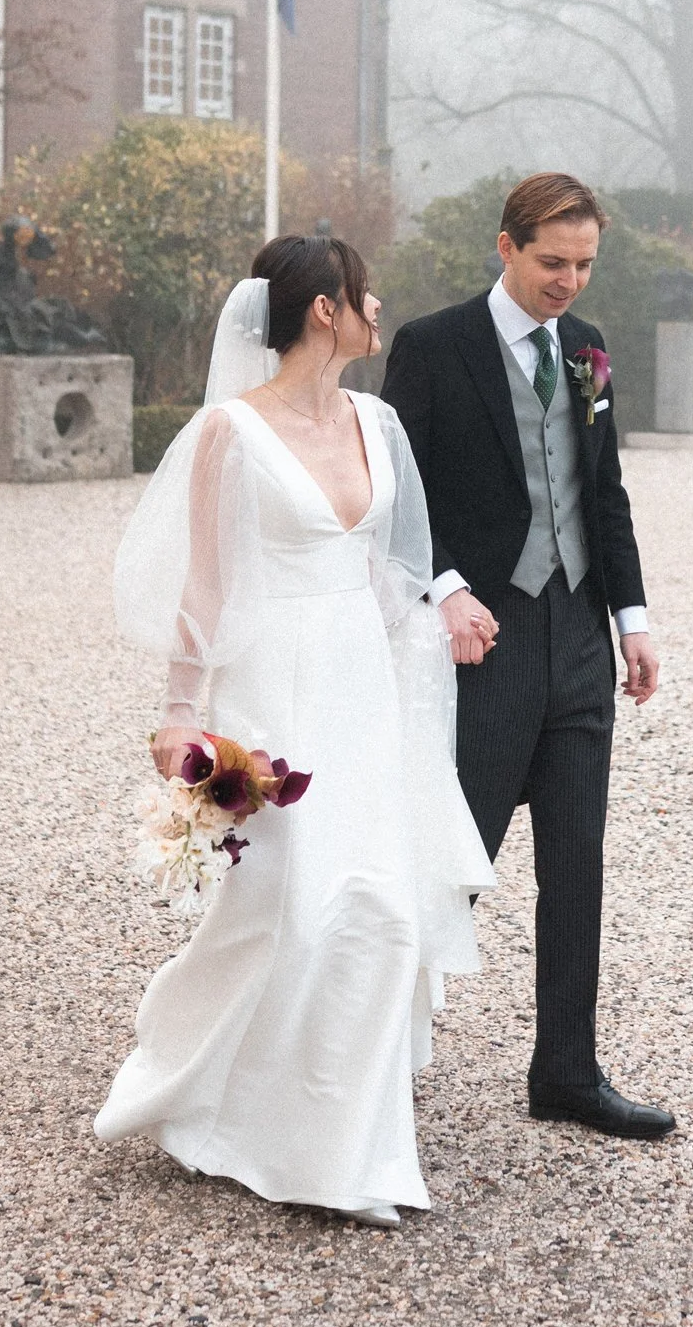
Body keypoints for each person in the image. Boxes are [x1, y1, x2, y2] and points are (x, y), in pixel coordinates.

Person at [94, 235, 494, 1228]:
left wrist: (440, 619)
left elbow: (389, 570)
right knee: (286, 909)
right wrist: (182, 712)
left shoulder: (379, 420)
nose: (378, 311)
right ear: (326, 309)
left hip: (363, 685)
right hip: (270, 684)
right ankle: (202, 1091)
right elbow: (204, 584)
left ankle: (343, 1149)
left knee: (382, 910)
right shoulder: (231, 432)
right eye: (367, 296)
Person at [381, 173, 675, 1140]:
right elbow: (397, 501)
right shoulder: (432, 347)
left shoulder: (587, 352)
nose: (569, 281)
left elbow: (606, 493)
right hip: (482, 642)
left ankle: (567, 1073)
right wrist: (447, 587)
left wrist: (630, 618)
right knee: (454, 861)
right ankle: (370, 1057)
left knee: (577, 864)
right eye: (553, 261)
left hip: (578, 640)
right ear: (504, 248)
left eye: (584, 264)